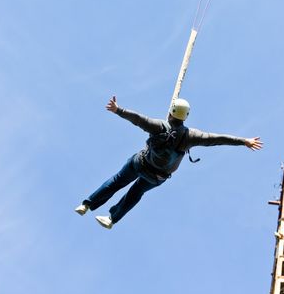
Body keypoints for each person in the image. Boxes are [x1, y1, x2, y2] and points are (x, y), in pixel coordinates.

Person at [75, 96, 263, 229]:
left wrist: (118, 110)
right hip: (156, 177)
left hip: (140, 164)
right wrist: (243, 141)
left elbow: (138, 119)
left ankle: (87, 204)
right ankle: (112, 219)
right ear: (186, 116)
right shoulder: (191, 136)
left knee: (117, 181)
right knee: (135, 194)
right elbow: (216, 138)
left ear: (170, 112)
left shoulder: (159, 126)